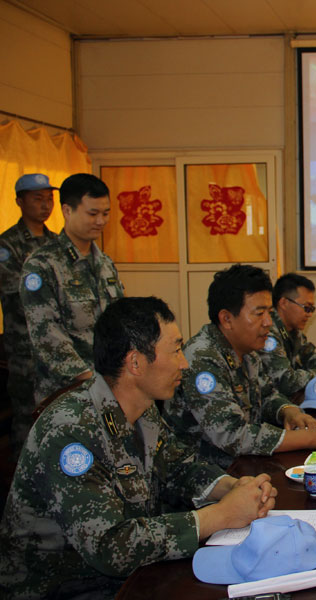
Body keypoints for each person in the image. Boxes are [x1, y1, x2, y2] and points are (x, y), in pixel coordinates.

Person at [0, 297, 277, 600]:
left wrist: (233, 488)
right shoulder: (71, 432)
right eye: (175, 350)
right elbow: (109, 547)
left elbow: (178, 467)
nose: (184, 363)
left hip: (133, 576)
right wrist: (221, 516)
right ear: (135, 362)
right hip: (62, 588)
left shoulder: (142, 410)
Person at [163, 264, 316, 469]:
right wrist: (312, 438)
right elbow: (233, 435)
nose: (268, 323)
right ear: (227, 319)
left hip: (244, 465)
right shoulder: (202, 359)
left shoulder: (248, 351)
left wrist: (288, 411)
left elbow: (267, 395)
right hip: (205, 478)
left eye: (270, 313)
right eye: (259, 313)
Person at [20, 172, 125, 404]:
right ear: (68, 211)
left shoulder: (105, 264)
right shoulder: (42, 265)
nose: (101, 221)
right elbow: (46, 335)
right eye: (93, 213)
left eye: (105, 213)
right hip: (66, 393)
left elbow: (119, 321)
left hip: (108, 385)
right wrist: (89, 379)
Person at [0, 174, 58, 454]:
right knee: (26, 417)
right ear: (19, 201)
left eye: (50, 198)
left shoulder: (57, 243)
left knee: (56, 415)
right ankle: (19, 485)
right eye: (38, 198)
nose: (46, 205)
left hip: (56, 347)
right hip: (25, 349)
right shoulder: (7, 245)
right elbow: (15, 289)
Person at [262, 273, 316, 398]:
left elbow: (309, 357)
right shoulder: (268, 334)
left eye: (311, 309)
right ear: (283, 303)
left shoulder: (294, 330)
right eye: (306, 308)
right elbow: (285, 381)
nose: (309, 314)